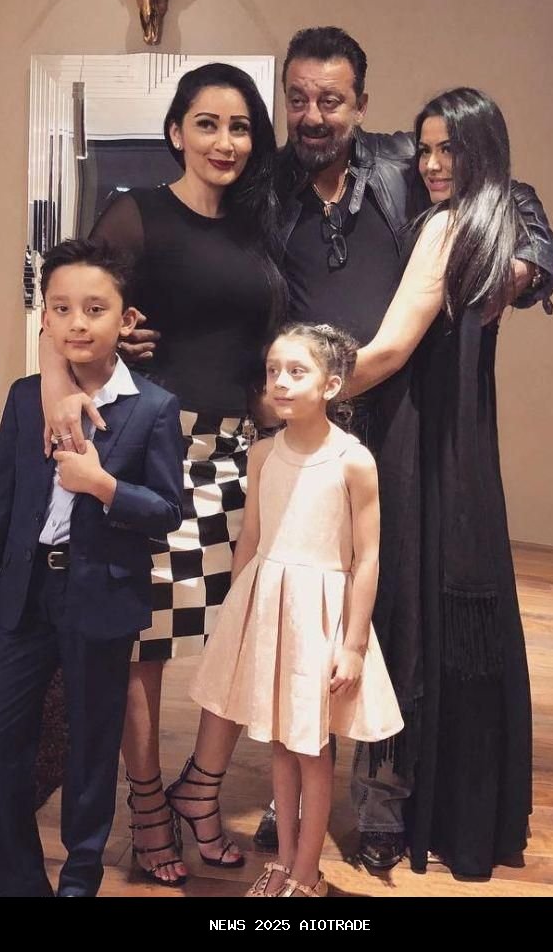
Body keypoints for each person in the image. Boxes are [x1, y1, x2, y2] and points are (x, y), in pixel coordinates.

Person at [250, 26, 553, 871]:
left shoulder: (401, 163)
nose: (313, 115)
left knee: (390, 606)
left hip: (398, 424)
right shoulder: (265, 189)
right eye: (299, 99)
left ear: (360, 102)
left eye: (331, 99)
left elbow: (508, 190)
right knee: (302, 606)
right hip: (300, 428)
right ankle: (293, 794)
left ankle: (382, 794)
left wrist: (530, 263)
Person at [41, 63, 284, 885]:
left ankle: (201, 791)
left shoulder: (260, 228)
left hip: (240, 453)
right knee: (143, 642)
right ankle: (146, 805)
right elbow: (70, 307)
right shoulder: (136, 213)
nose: (225, 141)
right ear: (176, 131)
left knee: (240, 633)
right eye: (207, 123)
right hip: (155, 447)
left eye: (240, 126)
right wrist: (59, 393)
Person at [350, 87, 544, 877]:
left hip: (414, 433)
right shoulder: (486, 222)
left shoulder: (453, 223)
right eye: (425, 149)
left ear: (480, 151)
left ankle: (391, 807)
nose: (431, 164)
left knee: (402, 611)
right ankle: (459, 811)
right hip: (461, 442)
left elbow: (391, 351)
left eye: (448, 149)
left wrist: (293, 392)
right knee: (449, 612)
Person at [0, 238, 183, 897]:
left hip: (101, 594)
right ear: (46, 320)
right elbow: (2, 498)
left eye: (95, 308)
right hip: (25, 590)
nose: (77, 323)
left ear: (126, 319)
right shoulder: (24, 396)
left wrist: (103, 486)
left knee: (90, 747)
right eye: (61, 309)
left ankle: (80, 880)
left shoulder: (153, 406)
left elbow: (167, 511)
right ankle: (20, 883)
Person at [190, 323, 403, 897]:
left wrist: (353, 644)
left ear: (331, 385)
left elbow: (368, 558)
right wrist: (236, 617)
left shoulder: (353, 461)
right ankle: (284, 862)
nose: (280, 382)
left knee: (312, 748)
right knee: (281, 744)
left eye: (296, 371)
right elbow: (251, 538)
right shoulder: (263, 454)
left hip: (320, 618)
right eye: (272, 371)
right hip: (270, 610)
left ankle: (309, 873)